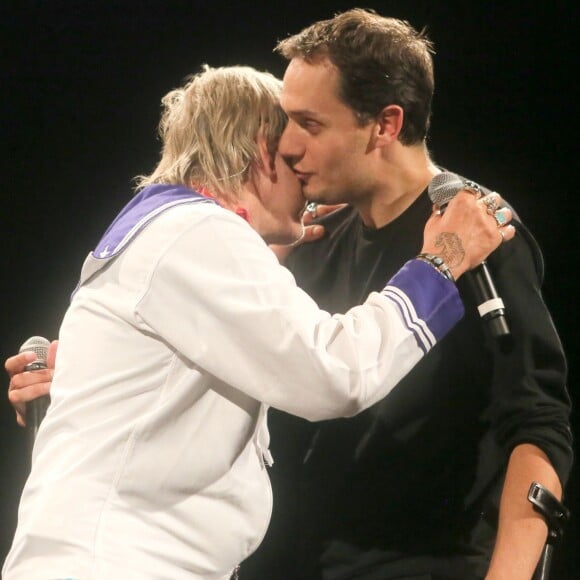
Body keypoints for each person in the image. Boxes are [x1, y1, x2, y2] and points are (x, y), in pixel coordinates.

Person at [2, 63, 511, 580]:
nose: (309, 180)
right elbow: (336, 372)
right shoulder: (198, 232)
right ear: (261, 153)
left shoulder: (163, 229)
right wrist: (441, 262)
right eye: (295, 157)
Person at [236, 9, 573, 580]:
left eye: (309, 124)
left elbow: (538, 424)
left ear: (385, 124)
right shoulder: (310, 240)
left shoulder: (480, 235)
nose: (285, 146)